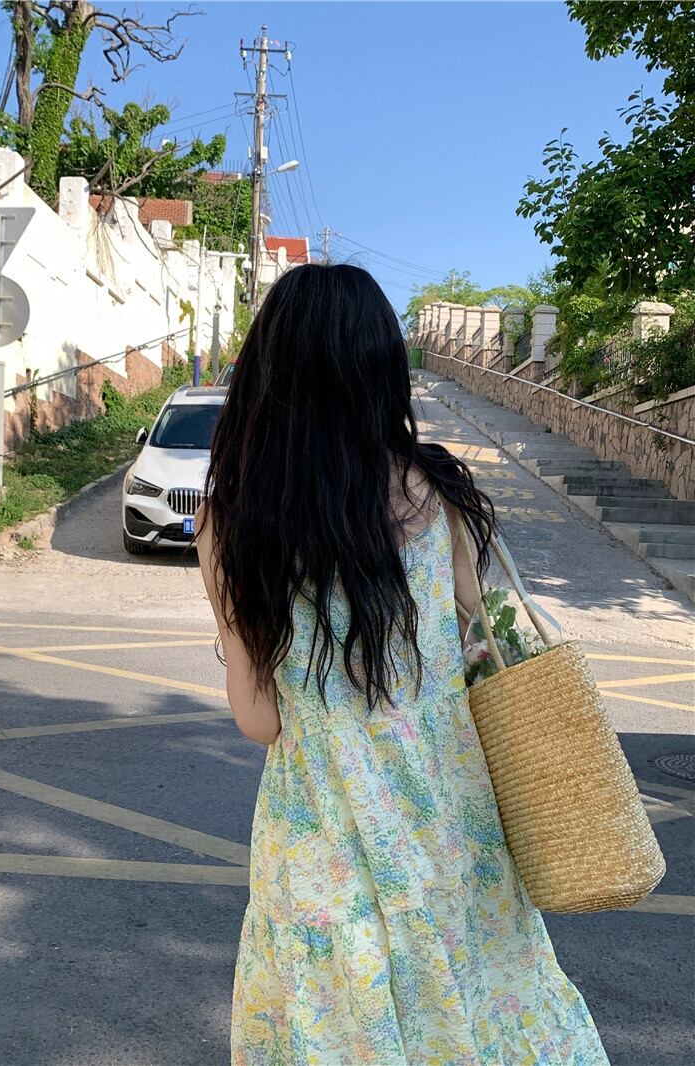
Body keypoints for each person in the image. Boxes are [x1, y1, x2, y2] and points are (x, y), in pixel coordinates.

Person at [196, 264, 609, 1065]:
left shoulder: (231, 519)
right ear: (382, 369)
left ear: (267, 375)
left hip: (320, 835)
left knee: (336, 1026)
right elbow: (483, 644)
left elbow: (260, 720)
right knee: (479, 1009)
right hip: (453, 817)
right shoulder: (440, 492)